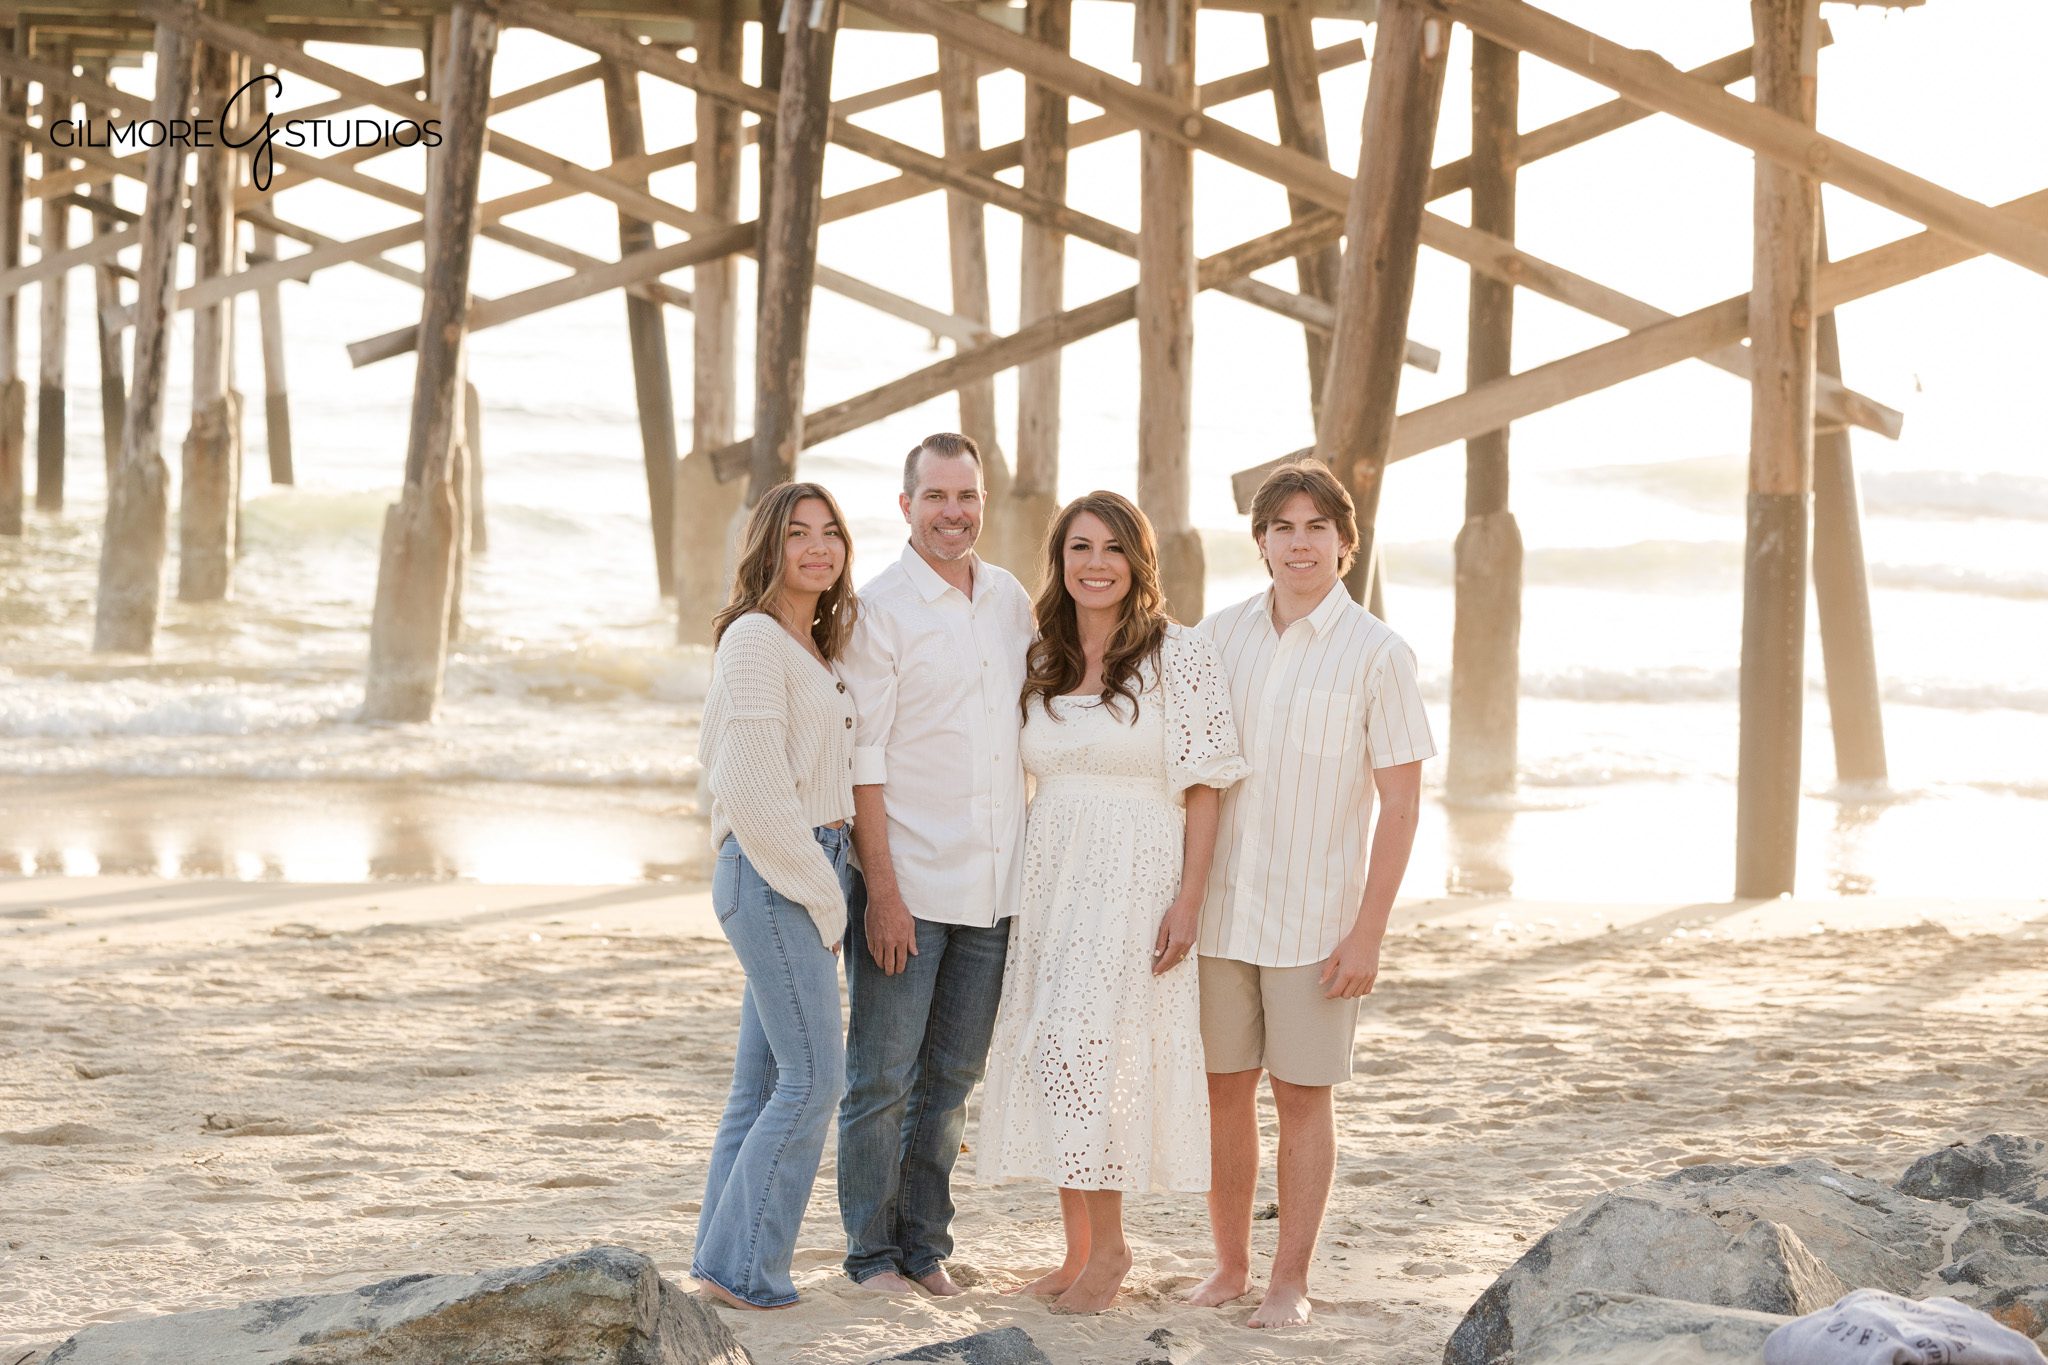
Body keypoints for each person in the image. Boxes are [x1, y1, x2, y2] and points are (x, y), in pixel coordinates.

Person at [977, 490, 1247, 1315]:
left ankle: (1115, 1248)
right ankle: (1080, 1250)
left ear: (1138, 561)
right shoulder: (1043, 655)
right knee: (1057, 1049)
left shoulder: (1181, 653)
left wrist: (1189, 898)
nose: (1096, 563)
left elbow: (1206, 785)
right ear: (1059, 562)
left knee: (1088, 1053)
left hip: (1137, 876)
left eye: (1113, 549)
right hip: (1054, 877)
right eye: (1079, 548)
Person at [1187, 459, 1435, 1328]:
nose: (1300, 543)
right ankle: (1227, 1266)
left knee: (1301, 1097)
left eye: (1316, 528)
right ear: (1260, 541)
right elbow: (1193, 782)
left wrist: (1368, 932)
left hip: (1317, 922)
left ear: (1344, 542)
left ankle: (1288, 1280)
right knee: (1222, 1092)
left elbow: (1401, 807)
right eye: (1283, 527)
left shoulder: (1380, 653)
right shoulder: (1215, 639)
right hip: (1220, 913)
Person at [836, 433, 1035, 1295]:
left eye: (967, 496)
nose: (954, 512)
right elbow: (862, 763)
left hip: (994, 889)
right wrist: (881, 892)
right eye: (937, 497)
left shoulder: (1009, 597)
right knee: (882, 1077)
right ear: (906, 504)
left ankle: (926, 1247)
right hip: (908, 884)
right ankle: (871, 1254)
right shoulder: (877, 610)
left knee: (953, 1077)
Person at [691, 481, 862, 1311]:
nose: (818, 548)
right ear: (770, 547)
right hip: (776, 869)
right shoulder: (756, 638)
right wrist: (825, 894)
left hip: (792, 865)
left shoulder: (810, 643)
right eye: (799, 534)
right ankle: (746, 1270)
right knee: (813, 1079)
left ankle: (720, 1263)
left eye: (830, 533)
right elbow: (752, 784)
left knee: (761, 1087)